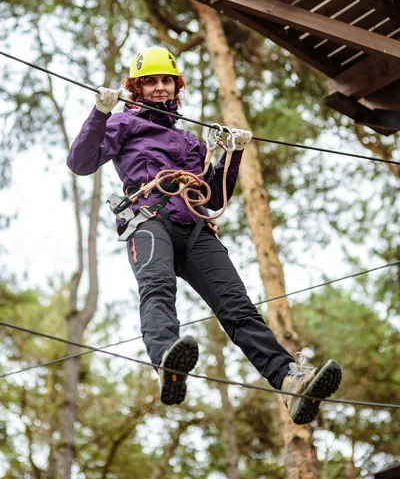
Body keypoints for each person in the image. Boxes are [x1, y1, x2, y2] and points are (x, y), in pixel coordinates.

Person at [67, 46, 342, 424]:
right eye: (150, 81)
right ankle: (167, 360)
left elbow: (213, 196)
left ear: (176, 87)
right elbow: (81, 163)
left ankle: (288, 381)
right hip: (150, 217)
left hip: (195, 228)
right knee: (157, 286)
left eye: (167, 81)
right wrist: (99, 113)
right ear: (136, 87)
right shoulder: (123, 123)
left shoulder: (192, 141)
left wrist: (233, 153)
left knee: (238, 307)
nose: (160, 88)